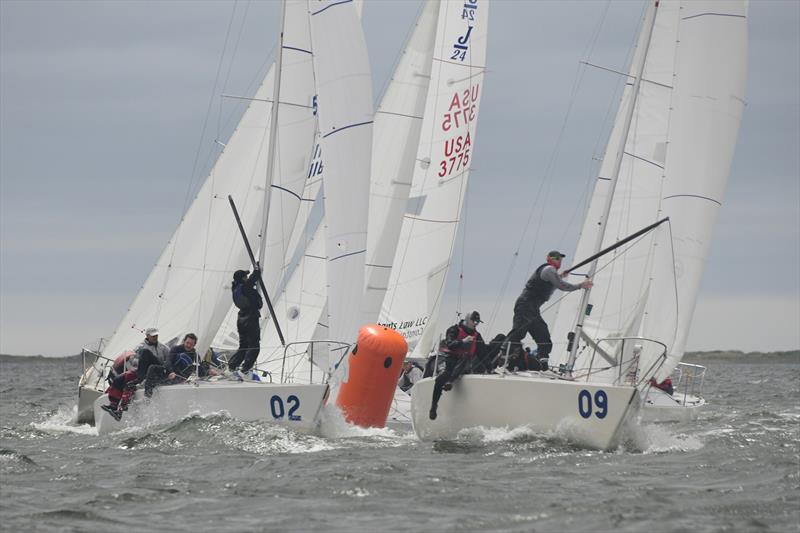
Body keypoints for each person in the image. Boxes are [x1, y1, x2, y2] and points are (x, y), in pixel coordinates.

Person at [506, 251, 592, 366]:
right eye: (556, 258)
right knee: (518, 333)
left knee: (544, 338)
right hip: (525, 305)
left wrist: (560, 276)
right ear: (548, 258)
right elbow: (562, 285)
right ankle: (504, 357)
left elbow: (553, 283)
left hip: (533, 309)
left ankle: (542, 362)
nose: (559, 260)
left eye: (560, 259)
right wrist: (580, 285)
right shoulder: (549, 270)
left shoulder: (552, 273)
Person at [429, 310, 485, 420]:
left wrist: (490, 368)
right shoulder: (453, 330)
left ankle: (450, 382)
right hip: (451, 361)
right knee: (439, 380)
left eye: (478, 322)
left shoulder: (477, 336)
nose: (476, 324)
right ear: (468, 320)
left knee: (466, 356)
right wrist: (463, 341)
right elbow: (450, 344)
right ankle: (434, 406)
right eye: (474, 321)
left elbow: (482, 353)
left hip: (466, 364)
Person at [227, 268, 263, 375]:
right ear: (243, 278)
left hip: (241, 318)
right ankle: (245, 369)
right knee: (254, 345)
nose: (247, 277)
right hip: (250, 318)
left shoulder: (235, 288)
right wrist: (257, 271)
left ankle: (232, 366)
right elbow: (252, 280)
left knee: (243, 346)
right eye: (245, 276)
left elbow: (249, 282)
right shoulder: (245, 287)